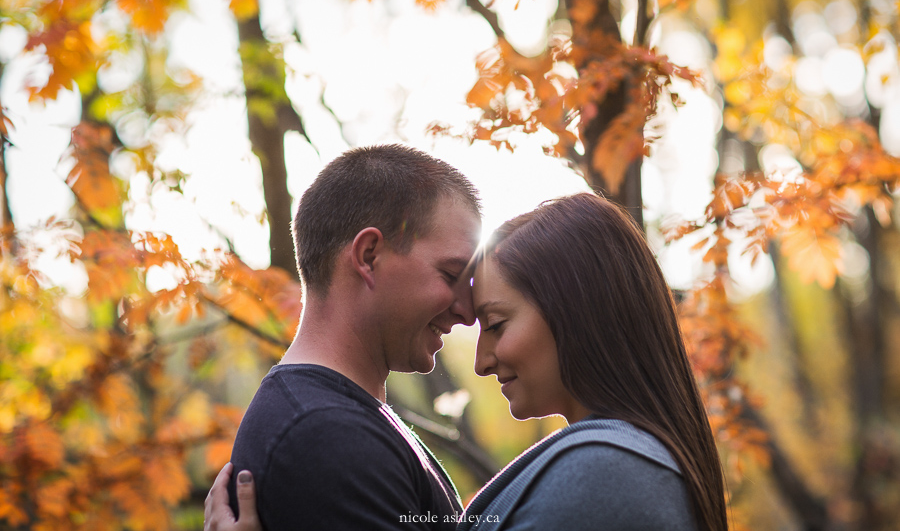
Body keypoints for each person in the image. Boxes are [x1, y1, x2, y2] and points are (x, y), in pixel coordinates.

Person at [207, 192, 728, 530]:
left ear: (580, 312)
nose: (480, 359)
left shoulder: (607, 474)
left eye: (496, 324)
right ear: (367, 257)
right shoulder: (615, 464)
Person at [215, 144, 482, 531]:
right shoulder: (325, 437)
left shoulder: (337, 420)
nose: (468, 311)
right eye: (450, 274)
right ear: (369, 255)